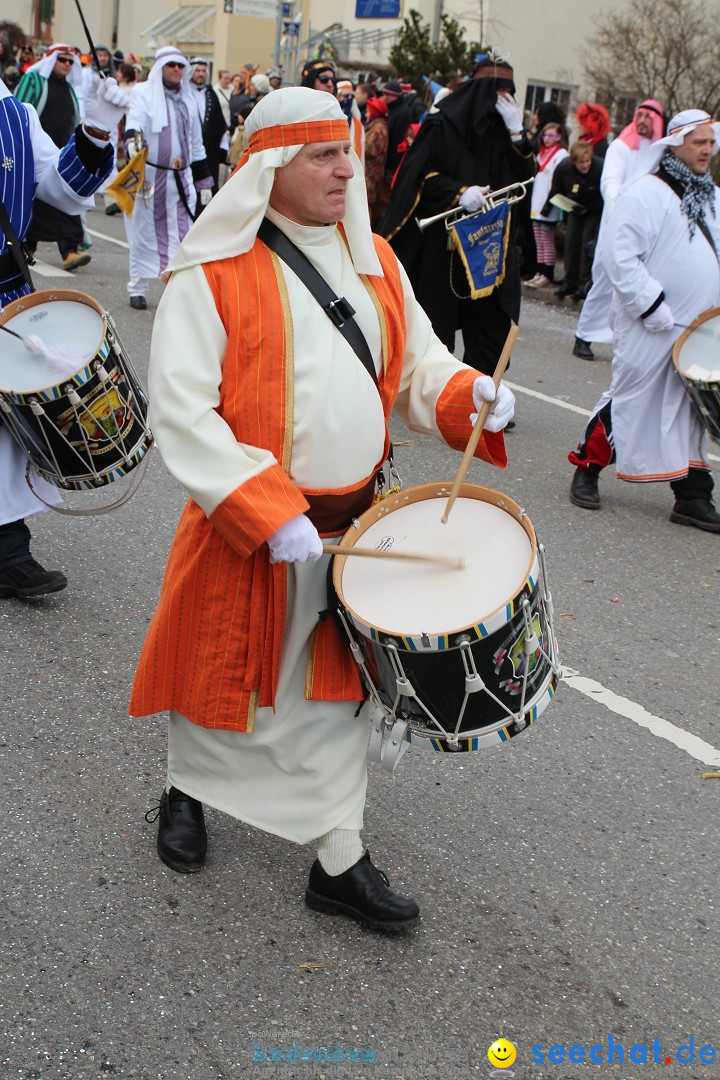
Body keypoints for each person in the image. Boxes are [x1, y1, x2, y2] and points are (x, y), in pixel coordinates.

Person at [129, 87, 515, 931]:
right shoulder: (212, 274)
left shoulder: (374, 257)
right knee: (223, 676)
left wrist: (470, 392)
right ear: (269, 167)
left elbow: (420, 365)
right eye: (323, 155)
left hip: (355, 531)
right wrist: (268, 514)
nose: (349, 167)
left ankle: (339, 859)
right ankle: (187, 792)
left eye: (348, 151)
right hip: (255, 531)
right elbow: (183, 415)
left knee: (342, 699)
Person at [0, 71, 127, 597]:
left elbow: (64, 189)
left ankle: (9, 552)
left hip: (4, 291)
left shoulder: (14, 116)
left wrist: (96, 130)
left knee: (8, 432)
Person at [568, 110, 720, 533]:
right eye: (698, 142)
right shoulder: (645, 193)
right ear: (674, 145)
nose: (707, 149)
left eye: (710, 141)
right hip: (653, 325)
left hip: (700, 329)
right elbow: (620, 257)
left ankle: (693, 495)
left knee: (690, 413)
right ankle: (587, 466)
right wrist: (652, 307)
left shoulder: (712, 197)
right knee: (633, 401)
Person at [379, 57, 535, 377]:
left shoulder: (507, 132)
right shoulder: (442, 124)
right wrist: (458, 192)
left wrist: (519, 134)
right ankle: (437, 391)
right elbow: (416, 175)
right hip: (446, 247)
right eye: (498, 91)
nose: (505, 99)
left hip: (490, 245)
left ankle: (482, 396)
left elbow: (526, 178)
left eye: (511, 92)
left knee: (492, 327)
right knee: (438, 326)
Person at [122, 47, 212, 310]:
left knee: (185, 234)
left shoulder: (189, 99)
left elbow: (196, 143)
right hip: (149, 177)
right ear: (161, 67)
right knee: (143, 233)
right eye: (171, 65)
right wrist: (131, 139)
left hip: (181, 178)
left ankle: (178, 289)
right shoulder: (143, 93)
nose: (176, 70)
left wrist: (204, 180)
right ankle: (137, 287)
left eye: (180, 66)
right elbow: (135, 119)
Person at [573, 99, 665, 359]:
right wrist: (620, 213)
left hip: (647, 227)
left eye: (650, 116)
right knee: (605, 278)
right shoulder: (621, 146)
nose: (644, 121)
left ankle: (624, 342)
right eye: (641, 115)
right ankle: (584, 335)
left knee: (633, 284)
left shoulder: (659, 151)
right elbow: (610, 182)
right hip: (618, 222)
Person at [14, 44, 93, 270]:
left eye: (71, 61)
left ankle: (69, 251)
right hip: (34, 153)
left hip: (60, 155)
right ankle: (29, 248)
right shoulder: (34, 81)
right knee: (33, 204)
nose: (67, 65)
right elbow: (18, 113)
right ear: (51, 61)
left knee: (64, 201)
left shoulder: (69, 89)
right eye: (62, 60)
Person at [549, 141, 603, 300]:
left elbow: (604, 195)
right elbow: (556, 188)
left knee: (587, 244)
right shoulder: (564, 168)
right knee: (571, 242)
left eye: (588, 161)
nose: (585, 165)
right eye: (581, 163)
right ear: (574, 161)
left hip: (593, 209)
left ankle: (583, 284)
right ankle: (569, 281)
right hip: (574, 207)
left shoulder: (599, 168)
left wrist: (589, 208)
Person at [526, 121, 568, 288]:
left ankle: (548, 273)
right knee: (538, 239)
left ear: (559, 137)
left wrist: (548, 204)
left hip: (548, 203)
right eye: (545, 135)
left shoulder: (561, 154)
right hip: (536, 202)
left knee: (547, 238)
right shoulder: (541, 154)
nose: (547, 138)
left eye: (552, 135)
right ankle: (539, 270)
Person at [189, 57, 229, 195]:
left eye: (203, 71)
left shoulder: (212, 95)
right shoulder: (184, 94)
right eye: (197, 70)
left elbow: (220, 123)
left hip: (210, 151)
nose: (201, 74)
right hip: (188, 150)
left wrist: (223, 148)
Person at [363, 95, 389, 228]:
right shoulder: (375, 126)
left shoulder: (378, 128)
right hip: (369, 174)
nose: (366, 114)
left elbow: (369, 148)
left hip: (371, 176)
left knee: (366, 210)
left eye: (368, 111)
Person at [379, 79, 412, 180]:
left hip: (394, 163)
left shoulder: (403, 113)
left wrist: (391, 167)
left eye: (388, 94)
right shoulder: (392, 109)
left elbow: (398, 141)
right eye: (384, 94)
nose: (385, 97)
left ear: (396, 96)